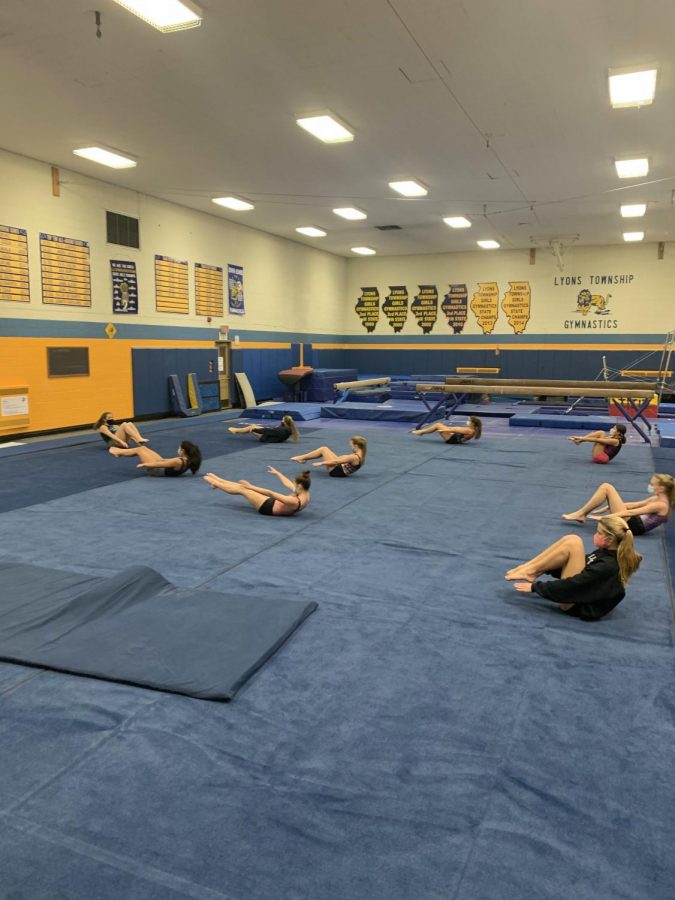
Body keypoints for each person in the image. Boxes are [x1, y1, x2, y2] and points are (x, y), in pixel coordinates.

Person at [506, 515, 642, 620]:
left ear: (609, 540)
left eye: (598, 532)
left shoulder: (608, 565)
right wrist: (545, 568)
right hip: (577, 594)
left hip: (575, 604)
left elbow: (574, 584)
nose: (594, 535)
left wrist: (536, 587)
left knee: (575, 543)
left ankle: (531, 570)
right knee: (571, 539)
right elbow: (578, 567)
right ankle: (530, 568)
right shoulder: (606, 553)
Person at [561, 473, 675, 535]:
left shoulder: (661, 505)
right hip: (633, 520)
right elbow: (634, 505)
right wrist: (608, 506)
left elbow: (631, 512)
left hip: (633, 526)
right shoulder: (657, 497)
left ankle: (581, 514)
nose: (650, 486)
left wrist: (605, 517)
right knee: (607, 488)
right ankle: (581, 513)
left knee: (606, 487)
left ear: (661, 488)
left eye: (653, 484)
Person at [203, 465, 310, 516]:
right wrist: (278, 473)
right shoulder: (305, 492)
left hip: (267, 508)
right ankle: (219, 480)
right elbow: (289, 484)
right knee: (243, 486)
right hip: (273, 503)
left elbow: (270, 493)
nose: (294, 486)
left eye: (295, 484)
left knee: (244, 489)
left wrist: (251, 487)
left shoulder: (294, 501)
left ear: (300, 486)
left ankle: (216, 483)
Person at [108, 441, 202, 476]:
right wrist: (161, 460)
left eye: (179, 448)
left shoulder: (178, 461)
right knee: (144, 448)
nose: (178, 449)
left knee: (139, 450)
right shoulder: (187, 460)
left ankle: (118, 452)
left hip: (156, 470)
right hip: (163, 467)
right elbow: (166, 461)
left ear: (183, 451)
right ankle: (119, 453)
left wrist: (145, 465)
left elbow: (159, 464)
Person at [290, 435, 367, 477]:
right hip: (340, 469)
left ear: (356, 446)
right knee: (325, 449)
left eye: (351, 445)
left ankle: (302, 458)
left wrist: (322, 463)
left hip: (336, 472)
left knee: (324, 449)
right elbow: (342, 458)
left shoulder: (354, 457)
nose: (351, 447)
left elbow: (336, 461)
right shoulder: (360, 455)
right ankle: (302, 458)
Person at [228, 415, 299, 443]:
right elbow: (272, 431)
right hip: (274, 437)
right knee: (253, 426)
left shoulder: (281, 429)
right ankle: (236, 431)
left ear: (283, 421)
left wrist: (254, 430)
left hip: (267, 438)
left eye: (282, 419)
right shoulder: (290, 428)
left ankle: (236, 430)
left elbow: (266, 431)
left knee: (251, 427)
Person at [410, 416, 482, 444]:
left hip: (452, 439)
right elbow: (457, 431)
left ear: (473, 424)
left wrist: (445, 430)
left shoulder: (470, 431)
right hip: (455, 438)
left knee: (438, 425)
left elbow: (456, 430)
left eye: (469, 421)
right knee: (440, 425)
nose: (467, 422)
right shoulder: (472, 430)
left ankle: (420, 432)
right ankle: (421, 432)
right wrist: (447, 429)